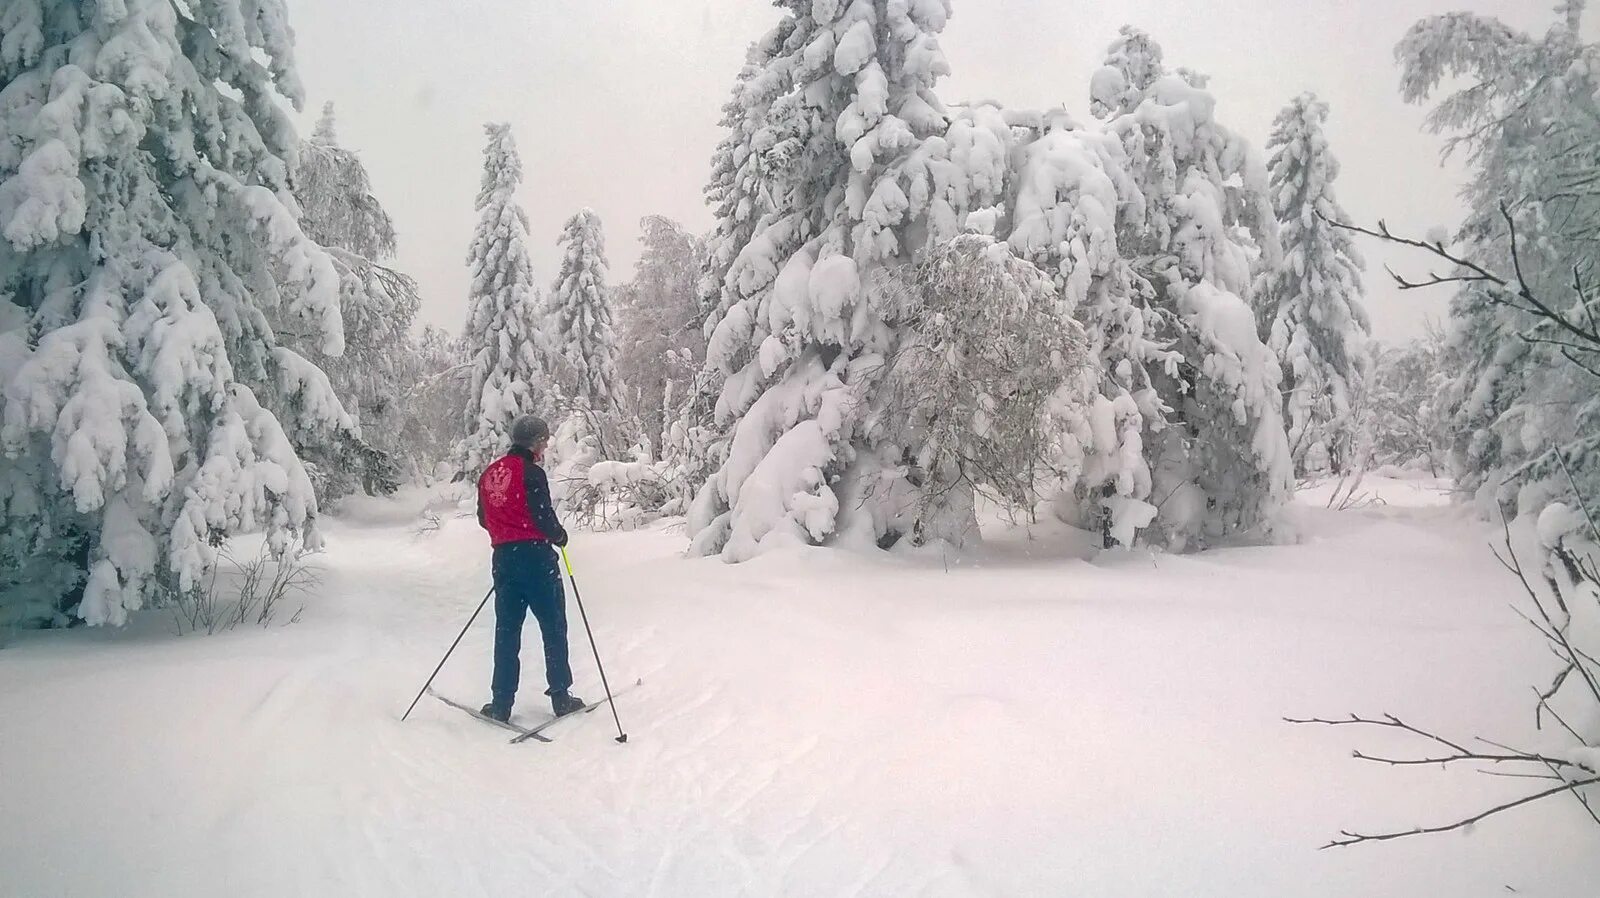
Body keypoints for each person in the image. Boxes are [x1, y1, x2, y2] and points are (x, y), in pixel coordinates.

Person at [476, 414, 585, 722]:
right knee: (553, 626)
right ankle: (561, 696)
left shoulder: (489, 473)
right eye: (544, 442)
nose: (545, 447)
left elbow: (483, 518)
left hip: (504, 559)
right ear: (535, 443)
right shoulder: (532, 473)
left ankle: (501, 703)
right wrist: (559, 536)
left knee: (507, 631)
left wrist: (506, 533)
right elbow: (542, 517)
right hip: (536, 559)